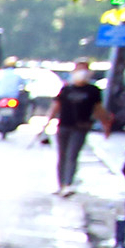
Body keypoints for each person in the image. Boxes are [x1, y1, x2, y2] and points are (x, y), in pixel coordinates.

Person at [48, 64, 111, 196]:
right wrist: (47, 122)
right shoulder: (66, 90)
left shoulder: (93, 91)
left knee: (72, 155)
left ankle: (68, 184)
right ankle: (61, 184)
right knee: (62, 155)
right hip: (64, 125)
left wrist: (105, 123)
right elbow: (56, 106)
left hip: (80, 127)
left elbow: (98, 109)